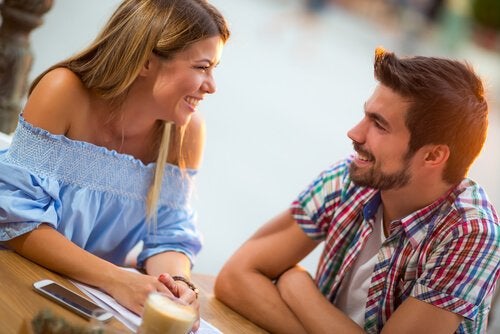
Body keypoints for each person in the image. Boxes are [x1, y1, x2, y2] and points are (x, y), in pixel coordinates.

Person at [215, 47, 500, 333]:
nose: (355, 133)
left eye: (379, 125)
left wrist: (297, 286)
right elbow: (235, 277)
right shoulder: (352, 178)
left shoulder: (471, 233)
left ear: (433, 156)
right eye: (367, 115)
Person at [0, 0, 229, 331]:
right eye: (202, 67)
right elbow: (18, 219)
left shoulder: (187, 131)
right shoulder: (62, 91)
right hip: (15, 276)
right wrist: (117, 280)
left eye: (213, 69)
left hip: (89, 302)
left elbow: (168, 232)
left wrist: (177, 285)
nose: (211, 86)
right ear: (147, 61)